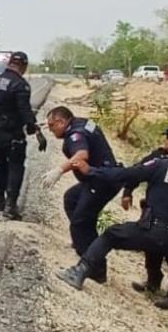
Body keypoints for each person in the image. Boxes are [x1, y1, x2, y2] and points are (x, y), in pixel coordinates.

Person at [56, 138, 168, 332]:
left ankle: (79, 272)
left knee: (111, 235)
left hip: (152, 230)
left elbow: (127, 175)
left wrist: (92, 172)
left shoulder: (163, 164)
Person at [40, 106, 120, 283]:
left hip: (101, 182)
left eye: (53, 126)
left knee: (80, 222)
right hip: (104, 177)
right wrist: (46, 125)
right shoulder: (80, 123)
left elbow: (81, 154)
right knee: (71, 199)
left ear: (62, 122)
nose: (52, 131)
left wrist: (59, 170)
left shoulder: (75, 134)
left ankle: (93, 269)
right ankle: (84, 244)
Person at [122, 123, 168, 308]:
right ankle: (153, 282)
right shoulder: (158, 156)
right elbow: (137, 171)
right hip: (155, 211)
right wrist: (128, 192)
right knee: (151, 248)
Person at [0, 51, 46, 219]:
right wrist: (35, 129)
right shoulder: (20, 84)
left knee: (0, 164)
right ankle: (10, 206)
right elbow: (24, 110)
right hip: (12, 132)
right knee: (16, 166)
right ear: (23, 66)